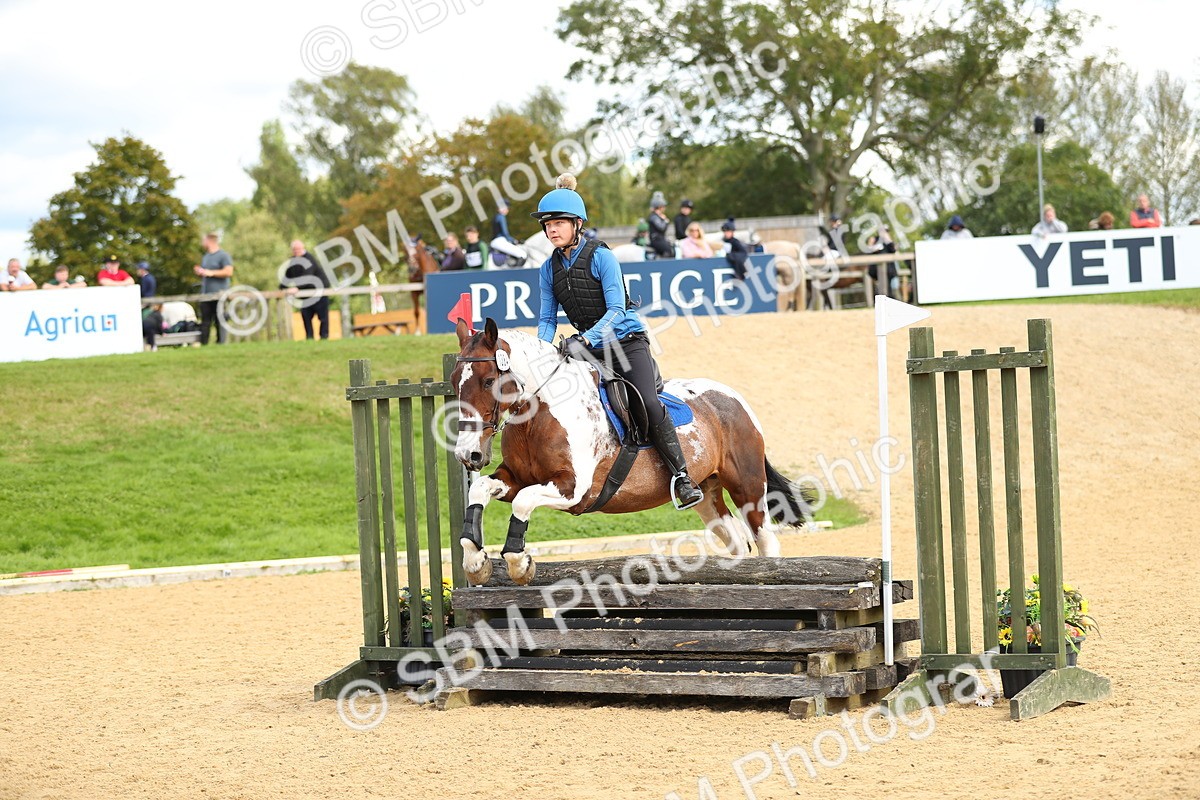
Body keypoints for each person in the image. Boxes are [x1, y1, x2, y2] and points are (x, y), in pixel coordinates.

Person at [534, 173, 703, 510]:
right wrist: (542, 352)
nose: (552, 229)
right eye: (547, 224)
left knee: (649, 403)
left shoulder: (602, 257)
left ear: (577, 224)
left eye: (558, 223)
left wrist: (584, 338)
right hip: (588, 350)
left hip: (625, 342)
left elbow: (615, 310)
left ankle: (682, 477)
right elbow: (547, 319)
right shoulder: (547, 269)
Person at [280, 239, 330, 340]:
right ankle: (309, 338)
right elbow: (287, 276)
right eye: (294, 249)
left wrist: (296, 288)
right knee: (306, 317)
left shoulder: (309, 259)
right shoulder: (293, 261)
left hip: (318, 292)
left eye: (298, 249)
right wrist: (282, 288)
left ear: (303, 248)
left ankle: (324, 337)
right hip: (305, 295)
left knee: (323, 317)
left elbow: (308, 277)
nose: (296, 251)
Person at [193, 232, 234, 345]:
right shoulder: (206, 257)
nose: (202, 243)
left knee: (219, 320)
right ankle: (204, 345)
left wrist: (211, 273)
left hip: (219, 294)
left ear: (209, 240)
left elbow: (229, 271)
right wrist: (201, 272)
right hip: (205, 295)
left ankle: (221, 343)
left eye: (203, 240)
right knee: (205, 321)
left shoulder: (223, 255)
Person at [490, 199, 527, 266]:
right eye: (507, 208)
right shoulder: (501, 217)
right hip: (500, 241)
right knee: (522, 254)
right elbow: (505, 234)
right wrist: (515, 241)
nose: (507, 210)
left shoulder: (495, 217)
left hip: (495, 241)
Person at [865, 228, 899, 299]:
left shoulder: (889, 242)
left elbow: (893, 250)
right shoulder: (875, 240)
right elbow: (868, 251)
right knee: (878, 287)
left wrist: (889, 240)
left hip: (888, 269)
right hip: (876, 270)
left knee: (889, 287)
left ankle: (888, 299)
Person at [646, 193, 674, 260]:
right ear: (659, 207)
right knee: (668, 250)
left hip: (660, 239)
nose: (664, 208)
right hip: (656, 240)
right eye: (663, 206)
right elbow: (661, 228)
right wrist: (665, 221)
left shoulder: (657, 216)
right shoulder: (654, 217)